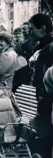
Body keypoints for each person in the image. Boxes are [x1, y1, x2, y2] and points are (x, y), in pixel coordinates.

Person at [29, 13, 53, 158]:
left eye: (32, 29)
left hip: (48, 102)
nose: (30, 32)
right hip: (44, 101)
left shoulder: (49, 48)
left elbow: (48, 78)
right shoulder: (43, 47)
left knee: (45, 141)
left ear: (42, 28)